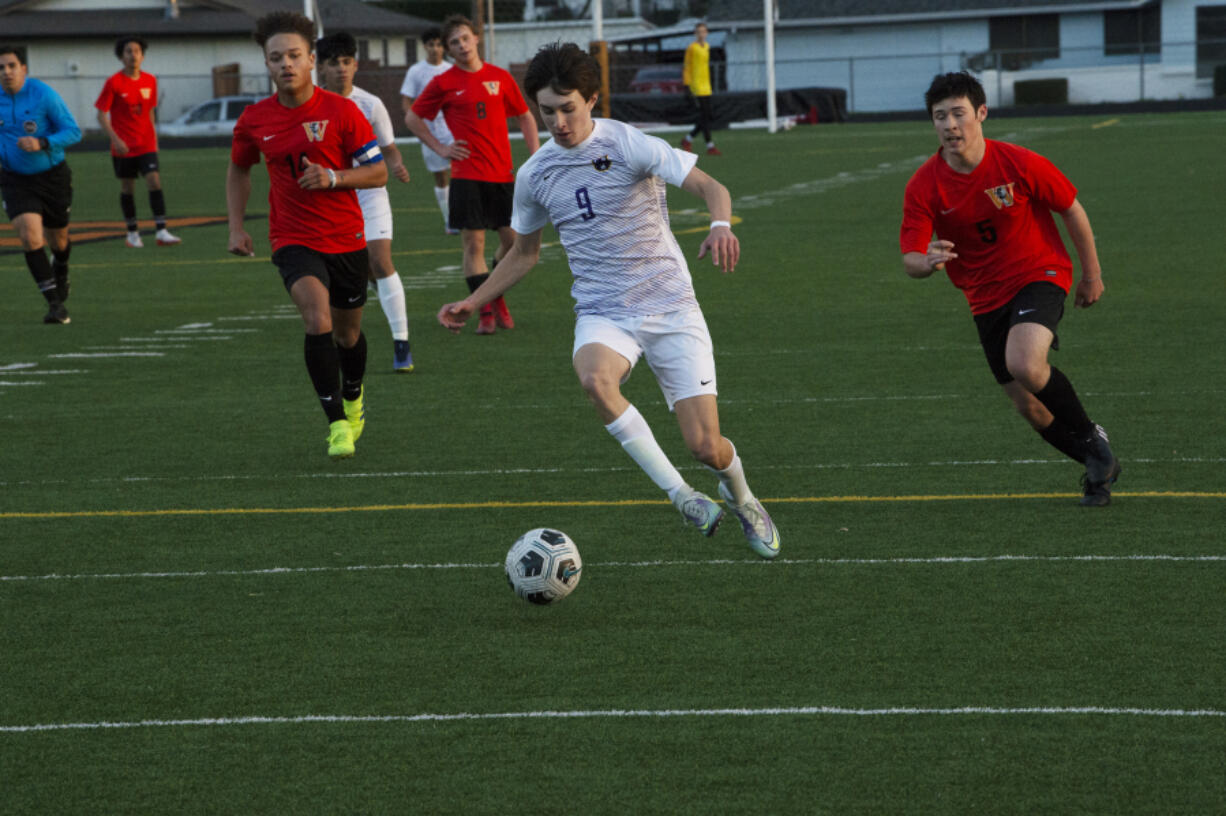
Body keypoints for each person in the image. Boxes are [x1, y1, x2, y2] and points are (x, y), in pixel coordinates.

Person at [437, 42, 780, 558]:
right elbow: (524, 254)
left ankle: (745, 498)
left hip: (670, 306)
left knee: (705, 446)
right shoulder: (535, 174)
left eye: (567, 107)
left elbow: (712, 186)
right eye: (546, 110)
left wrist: (720, 226)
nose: (557, 121)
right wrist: (476, 299)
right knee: (595, 380)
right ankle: (682, 497)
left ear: (592, 99)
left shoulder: (629, 144)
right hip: (603, 311)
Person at [900, 71, 1121, 506]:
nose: (949, 125)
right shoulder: (923, 185)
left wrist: (1091, 274)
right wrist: (925, 262)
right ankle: (1098, 464)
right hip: (984, 298)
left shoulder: (1017, 162)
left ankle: (1094, 444)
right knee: (1029, 407)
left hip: (1040, 273)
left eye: (958, 114)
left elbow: (1071, 209)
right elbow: (909, 258)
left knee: (1023, 362)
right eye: (939, 116)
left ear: (981, 114)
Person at [226, 12, 388, 460]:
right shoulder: (255, 119)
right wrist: (237, 227)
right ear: (267, 63)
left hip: (347, 237)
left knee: (348, 336)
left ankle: (354, 395)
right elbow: (240, 167)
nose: (286, 64)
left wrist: (334, 178)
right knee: (317, 320)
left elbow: (378, 172)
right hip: (293, 239)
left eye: (294, 55)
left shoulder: (343, 112)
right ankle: (336, 423)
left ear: (311, 59)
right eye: (276, 57)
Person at [406, 14, 540, 335]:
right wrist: (441, 148)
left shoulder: (500, 77)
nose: (461, 45)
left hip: (502, 175)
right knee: (473, 245)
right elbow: (413, 118)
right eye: (454, 42)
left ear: (476, 38)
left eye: (465, 38)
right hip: (466, 175)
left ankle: (495, 296)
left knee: (512, 243)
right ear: (449, 50)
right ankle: (485, 313)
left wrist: (536, 158)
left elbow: (526, 117)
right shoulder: (443, 82)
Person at [316, 31, 415, 373]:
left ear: (356, 65)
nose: (341, 69)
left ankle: (402, 343)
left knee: (380, 260)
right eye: (333, 63)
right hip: (329, 200)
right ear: (321, 69)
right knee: (348, 270)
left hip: (369, 194)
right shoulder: (311, 106)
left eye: (346, 62)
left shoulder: (370, 104)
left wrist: (398, 163)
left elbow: (388, 148)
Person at [0, 44, 81, 325]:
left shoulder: (44, 95)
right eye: (1, 67)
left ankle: (61, 266)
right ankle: (55, 305)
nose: (6, 72)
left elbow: (73, 131)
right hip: (14, 179)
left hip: (52, 177)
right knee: (30, 236)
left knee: (58, 241)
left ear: (24, 68)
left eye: (11, 66)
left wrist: (43, 142)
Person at [95, 36, 181, 249]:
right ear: (121, 57)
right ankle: (132, 233)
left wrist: (154, 138)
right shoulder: (114, 82)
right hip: (123, 147)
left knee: (154, 181)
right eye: (128, 51)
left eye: (137, 51)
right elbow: (101, 115)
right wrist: (116, 140)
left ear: (142, 55)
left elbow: (149, 111)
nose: (133, 55)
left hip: (145, 145)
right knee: (128, 188)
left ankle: (161, 230)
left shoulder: (150, 80)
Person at [400, 27, 457, 235]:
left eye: (439, 44)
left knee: (461, 172)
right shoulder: (416, 71)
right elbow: (406, 101)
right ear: (424, 46)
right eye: (431, 44)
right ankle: (449, 220)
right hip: (429, 132)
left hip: (453, 129)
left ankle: (464, 215)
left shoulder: (451, 69)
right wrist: (415, 123)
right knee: (441, 176)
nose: (435, 49)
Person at [680, 23, 719, 156]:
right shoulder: (692, 48)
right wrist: (687, 85)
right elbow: (687, 67)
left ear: (707, 33)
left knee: (706, 116)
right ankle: (709, 145)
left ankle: (688, 139)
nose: (701, 34)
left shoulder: (707, 47)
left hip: (706, 86)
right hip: (696, 86)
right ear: (695, 34)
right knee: (705, 116)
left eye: (703, 31)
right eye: (698, 32)